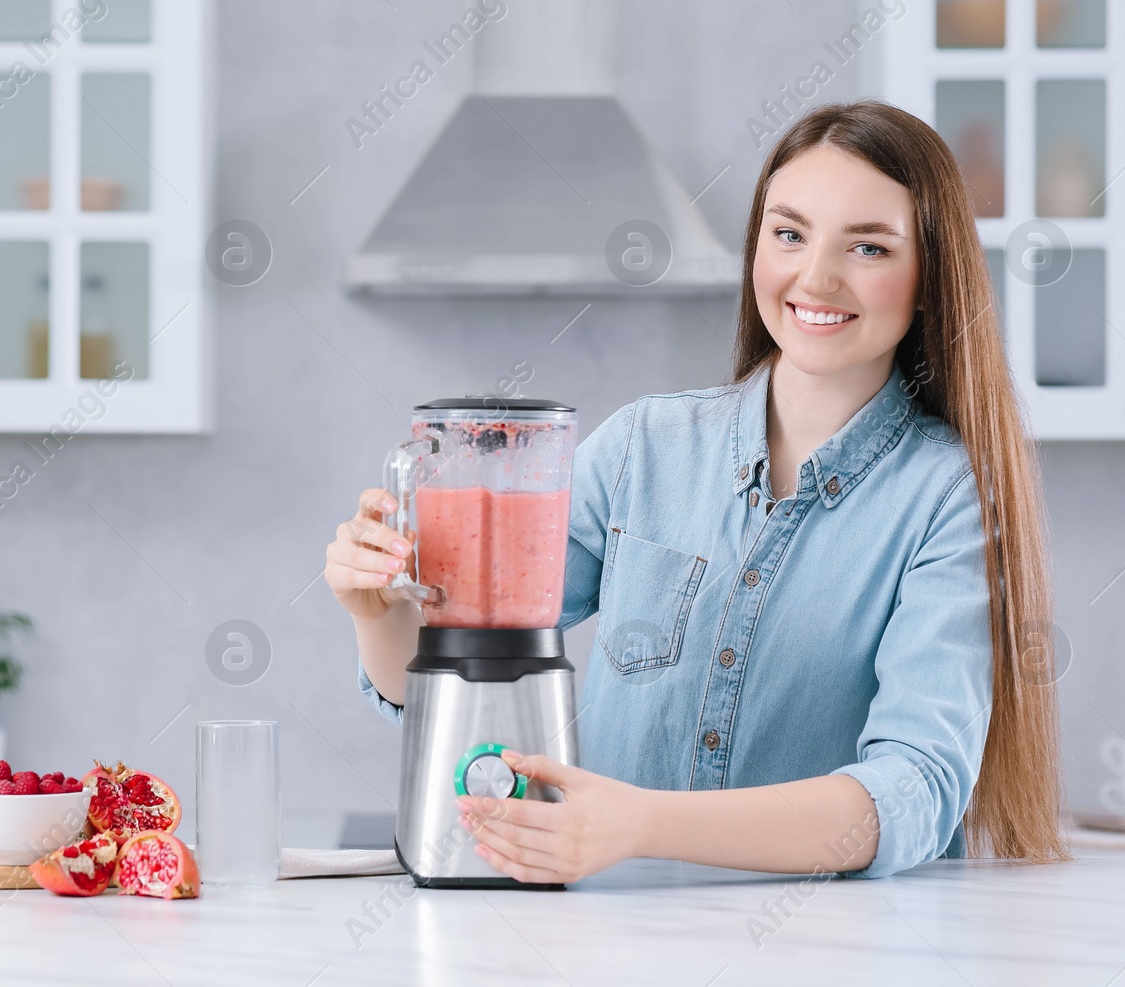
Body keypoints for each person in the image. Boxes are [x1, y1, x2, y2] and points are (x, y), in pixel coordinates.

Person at [324, 100, 1067, 882]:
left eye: (870, 247)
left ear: (930, 279)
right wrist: (379, 616)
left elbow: (914, 791)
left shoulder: (945, 495)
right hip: (607, 942)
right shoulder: (643, 448)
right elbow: (472, 655)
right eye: (789, 234)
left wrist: (639, 822)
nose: (815, 277)